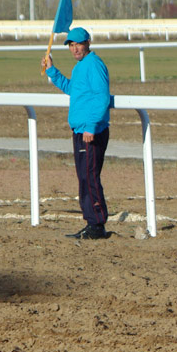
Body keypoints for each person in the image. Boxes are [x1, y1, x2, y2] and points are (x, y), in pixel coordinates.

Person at [42, 27, 112, 240]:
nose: (75, 49)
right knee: (84, 177)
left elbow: (102, 97)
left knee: (89, 177)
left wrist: (91, 126)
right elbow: (73, 89)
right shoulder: (81, 66)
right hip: (81, 130)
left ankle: (97, 224)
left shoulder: (94, 65)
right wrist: (52, 71)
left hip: (91, 132)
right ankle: (92, 223)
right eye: (71, 45)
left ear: (88, 42)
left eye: (78, 44)